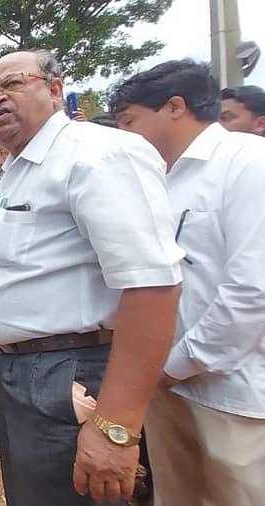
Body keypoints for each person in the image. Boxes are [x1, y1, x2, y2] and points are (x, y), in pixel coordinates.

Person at [0, 50, 183, 506]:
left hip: (67, 377)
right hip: (24, 374)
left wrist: (115, 428)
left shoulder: (97, 155)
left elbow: (153, 287)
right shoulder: (20, 169)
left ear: (56, 89)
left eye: (12, 84)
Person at [111, 59, 265, 506]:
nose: (124, 134)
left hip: (231, 391)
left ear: (175, 107)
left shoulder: (248, 163)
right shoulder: (160, 177)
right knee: (176, 496)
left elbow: (251, 290)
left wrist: (176, 363)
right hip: (163, 381)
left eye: (129, 121)